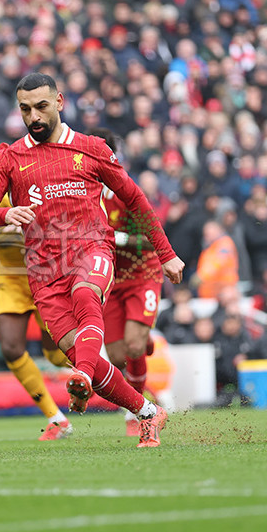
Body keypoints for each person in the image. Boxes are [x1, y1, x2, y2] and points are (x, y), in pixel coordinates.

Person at [0, 73, 184, 448]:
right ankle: (149, 413)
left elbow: (135, 199)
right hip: (43, 271)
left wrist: (166, 253)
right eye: (25, 109)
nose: (34, 116)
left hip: (91, 250)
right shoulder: (9, 156)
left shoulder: (92, 148)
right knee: (91, 361)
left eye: (41, 106)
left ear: (60, 102)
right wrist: (4, 215)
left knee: (86, 298)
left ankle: (81, 376)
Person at [0, 158, 73, 441]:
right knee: (10, 348)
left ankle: (110, 375)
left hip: (44, 276)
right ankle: (56, 419)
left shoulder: (22, 198)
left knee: (56, 355)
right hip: (9, 279)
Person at [97, 129, 165, 437]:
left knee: (133, 346)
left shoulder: (125, 190)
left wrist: (115, 237)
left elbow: (151, 240)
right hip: (110, 280)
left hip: (141, 275)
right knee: (116, 357)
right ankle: (142, 337)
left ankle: (134, 411)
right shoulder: (79, 193)